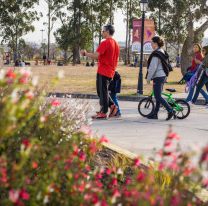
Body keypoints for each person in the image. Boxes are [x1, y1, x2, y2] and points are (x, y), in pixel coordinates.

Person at [80, 24, 120, 119]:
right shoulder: (116, 43)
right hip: (111, 71)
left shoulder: (105, 42)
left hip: (103, 70)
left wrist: (85, 53)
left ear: (107, 31)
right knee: (102, 91)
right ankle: (112, 106)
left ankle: (103, 111)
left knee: (102, 92)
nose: (102, 32)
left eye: (103, 31)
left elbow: (96, 55)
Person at [146, 36, 175, 121]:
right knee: (158, 95)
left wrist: (148, 78)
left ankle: (170, 110)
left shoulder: (156, 54)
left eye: (152, 43)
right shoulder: (162, 51)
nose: (151, 44)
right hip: (162, 75)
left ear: (155, 44)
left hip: (158, 76)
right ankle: (155, 113)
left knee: (158, 96)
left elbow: (153, 67)